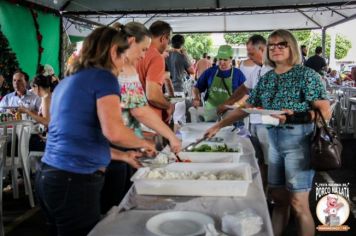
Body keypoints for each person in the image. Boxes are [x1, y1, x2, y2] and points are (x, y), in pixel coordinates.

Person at [205, 29, 330, 236]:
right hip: (274, 141)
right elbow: (247, 107)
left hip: (298, 141)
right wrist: (219, 125)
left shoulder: (307, 75)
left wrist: (294, 116)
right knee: (278, 199)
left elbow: (324, 111)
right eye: (271, 45)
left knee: (298, 204)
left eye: (282, 44)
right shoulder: (267, 77)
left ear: (292, 47)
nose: (275, 49)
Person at [35, 26, 156, 236]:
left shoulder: (68, 82)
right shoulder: (104, 78)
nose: (125, 62)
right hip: (74, 181)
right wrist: (144, 143)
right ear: (113, 51)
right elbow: (114, 132)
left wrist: (124, 156)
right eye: (123, 53)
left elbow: (80, 139)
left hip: (49, 177)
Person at [100, 22, 181, 213]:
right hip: (106, 149)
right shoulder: (105, 73)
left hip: (122, 147)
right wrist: (154, 140)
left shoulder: (129, 69)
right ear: (130, 42)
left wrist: (166, 136)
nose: (144, 55)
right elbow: (136, 112)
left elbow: (139, 108)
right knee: (110, 209)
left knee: (123, 201)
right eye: (143, 49)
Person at [192, 45, 246, 121]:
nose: (222, 62)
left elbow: (246, 94)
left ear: (231, 59)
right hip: (211, 111)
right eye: (220, 59)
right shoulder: (210, 71)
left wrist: (234, 104)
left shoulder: (238, 74)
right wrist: (196, 98)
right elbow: (196, 88)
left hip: (230, 112)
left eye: (225, 60)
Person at [137, 20, 174, 124]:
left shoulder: (137, 52)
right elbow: (152, 95)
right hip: (150, 121)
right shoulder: (156, 57)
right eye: (168, 40)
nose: (168, 44)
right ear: (163, 38)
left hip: (134, 118)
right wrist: (168, 105)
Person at [165, 34, 195, 127]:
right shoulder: (182, 56)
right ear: (182, 44)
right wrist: (185, 54)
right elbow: (192, 71)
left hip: (167, 89)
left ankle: (169, 139)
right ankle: (178, 140)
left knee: (169, 117)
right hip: (178, 90)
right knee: (179, 118)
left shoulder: (166, 55)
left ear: (172, 43)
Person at [18, 74, 52, 151]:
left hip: (49, 139)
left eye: (33, 88)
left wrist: (27, 111)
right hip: (48, 136)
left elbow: (46, 121)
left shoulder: (46, 98)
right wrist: (32, 112)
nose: (32, 91)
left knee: (23, 143)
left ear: (36, 86)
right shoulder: (49, 96)